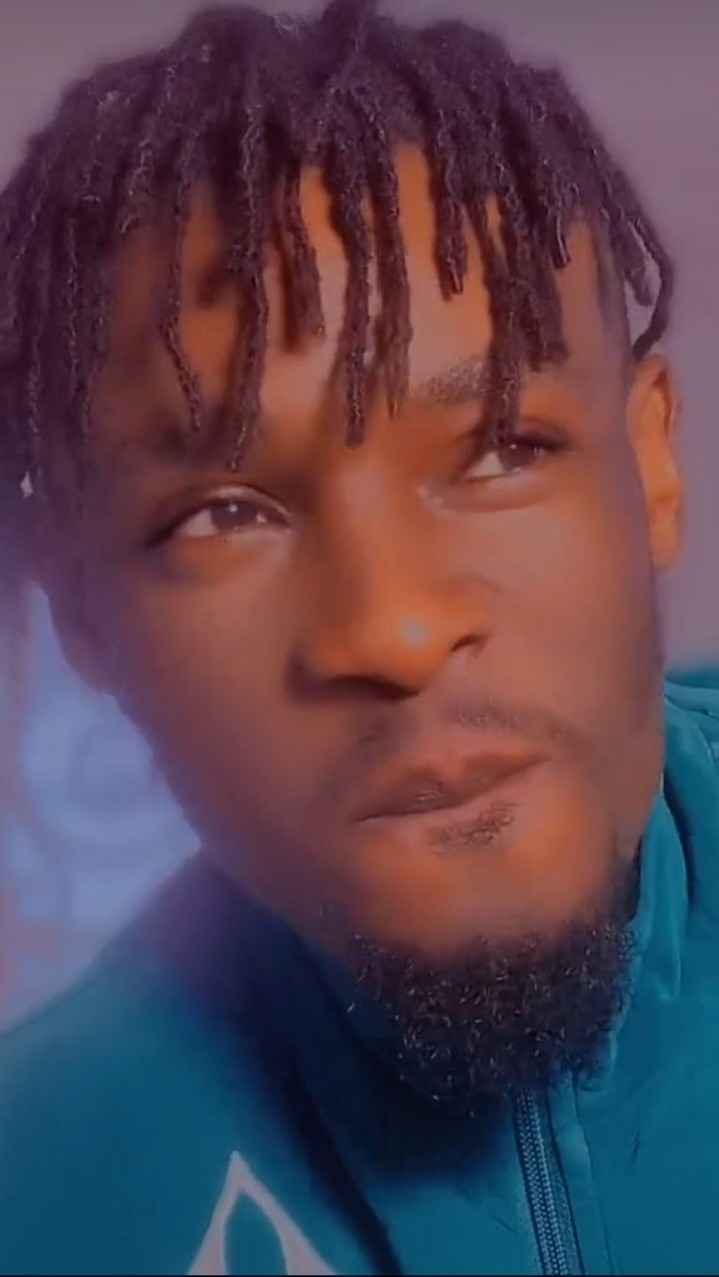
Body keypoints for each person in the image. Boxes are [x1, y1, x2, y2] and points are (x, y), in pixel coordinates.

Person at [0, 0, 717, 1272]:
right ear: (85, 623)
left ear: (649, 464)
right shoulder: (41, 1185)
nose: (393, 626)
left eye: (502, 446)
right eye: (222, 513)